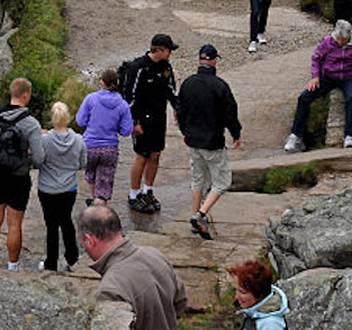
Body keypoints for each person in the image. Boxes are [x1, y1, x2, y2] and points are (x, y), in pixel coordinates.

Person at [79, 206, 188, 330]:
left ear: (89, 240)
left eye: (82, 243)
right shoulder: (155, 255)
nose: (84, 247)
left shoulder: (109, 291)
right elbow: (181, 302)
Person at [177, 45, 242, 240]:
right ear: (214, 61)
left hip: (192, 140)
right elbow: (230, 113)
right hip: (212, 141)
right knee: (222, 181)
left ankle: (195, 215)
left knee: (197, 179)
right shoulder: (220, 85)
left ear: (199, 60)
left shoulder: (187, 83)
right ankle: (200, 215)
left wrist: (184, 131)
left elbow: (180, 111)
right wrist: (236, 134)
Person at [0, 78, 45, 270]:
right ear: (25, 95)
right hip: (18, 178)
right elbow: (40, 159)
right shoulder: (31, 124)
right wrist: (26, 159)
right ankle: (12, 266)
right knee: (14, 223)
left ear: (12, 93)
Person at [283, 19, 352, 152]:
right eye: (338, 38)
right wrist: (315, 76)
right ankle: (295, 135)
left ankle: (350, 136)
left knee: (351, 99)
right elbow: (316, 58)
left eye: (343, 39)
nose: (340, 42)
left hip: (348, 77)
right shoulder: (327, 42)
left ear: (349, 36)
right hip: (328, 76)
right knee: (304, 97)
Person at [121, 34, 181, 214]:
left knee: (155, 154)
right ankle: (133, 194)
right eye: (169, 50)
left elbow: (171, 91)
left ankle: (148, 190)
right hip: (142, 119)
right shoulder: (138, 67)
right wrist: (134, 122)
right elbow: (128, 97)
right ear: (159, 50)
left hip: (159, 118)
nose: (171, 53)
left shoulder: (166, 67)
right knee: (142, 155)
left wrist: (178, 110)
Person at [37, 101, 86, 272]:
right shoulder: (79, 140)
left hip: (47, 188)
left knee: (51, 225)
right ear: (68, 118)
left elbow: (38, 161)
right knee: (66, 221)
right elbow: (82, 164)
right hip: (68, 188)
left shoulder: (44, 140)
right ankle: (72, 258)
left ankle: (51, 262)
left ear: (52, 118)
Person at [76, 69, 133, 207]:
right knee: (105, 182)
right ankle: (100, 206)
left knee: (91, 175)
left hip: (90, 146)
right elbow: (127, 131)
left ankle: (94, 200)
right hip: (110, 148)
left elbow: (80, 121)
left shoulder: (90, 99)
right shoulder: (123, 105)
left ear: (102, 82)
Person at [230, 260, 290, 329]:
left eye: (243, 292)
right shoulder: (253, 310)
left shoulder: (271, 325)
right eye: (236, 290)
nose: (236, 297)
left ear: (259, 293)